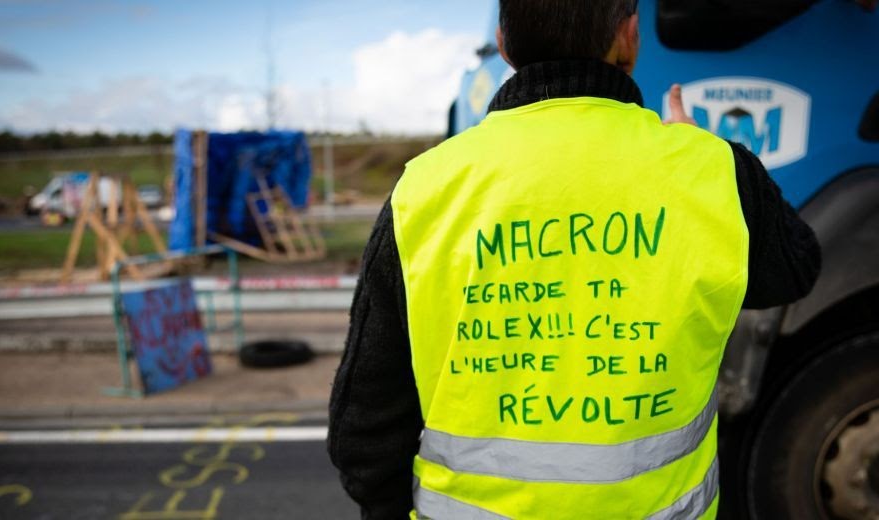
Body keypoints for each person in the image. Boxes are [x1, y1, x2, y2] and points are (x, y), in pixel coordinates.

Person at [328, 0, 821, 517]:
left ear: (503, 44)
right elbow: (796, 268)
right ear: (629, 36)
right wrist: (708, 156)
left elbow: (364, 422)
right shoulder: (715, 173)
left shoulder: (425, 188)